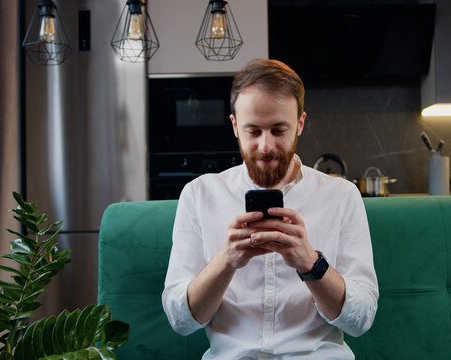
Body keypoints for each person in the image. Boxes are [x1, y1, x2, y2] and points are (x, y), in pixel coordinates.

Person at [162, 58, 378, 359]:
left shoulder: (341, 195)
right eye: (253, 131)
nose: (266, 146)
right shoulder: (199, 195)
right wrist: (225, 261)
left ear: (300, 124)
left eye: (279, 130)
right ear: (235, 126)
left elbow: (361, 319)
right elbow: (180, 320)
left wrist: (311, 264)